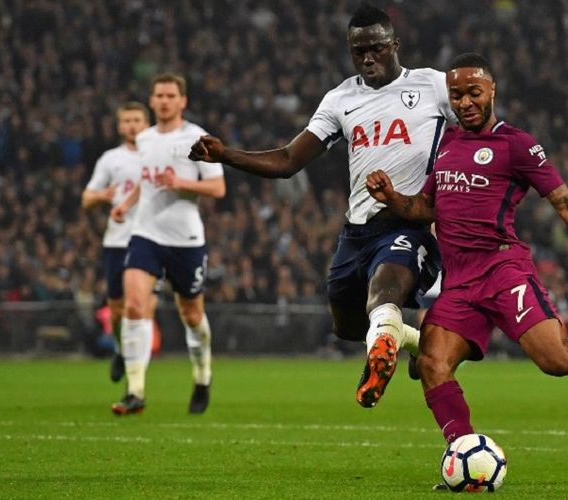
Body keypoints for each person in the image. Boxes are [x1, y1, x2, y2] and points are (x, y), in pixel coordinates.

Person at [365, 53, 568, 449]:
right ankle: (464, 453)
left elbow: (567, 203)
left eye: (473, 93)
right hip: (459, 282)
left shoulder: (516, 145)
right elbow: (426, 208)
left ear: (492, 91)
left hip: (503, 270)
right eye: (456, 95)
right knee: (433, 365)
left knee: (558, 361)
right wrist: (393, 197)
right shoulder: (448, 144)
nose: (465, 103)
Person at [189, 3, 457, 408]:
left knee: (384, 292)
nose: (368, 57)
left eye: (377, 48)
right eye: (359, 51)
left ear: (395, 45)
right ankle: (413, 342)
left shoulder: (432, 86)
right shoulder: (340, 99)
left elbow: (477, 125)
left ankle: (384, 349)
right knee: (348, 326)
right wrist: (226, 154)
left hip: (408, 222)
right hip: (356, 232)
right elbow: (287, 161)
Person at [110, 73, 225, 415]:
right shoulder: (144, 138)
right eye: (158, 95)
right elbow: (146, 183)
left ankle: (203, 376)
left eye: (170, 95)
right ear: (152, 99)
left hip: (186, 240)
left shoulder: (197, 138)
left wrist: (180, 183)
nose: (163, 101)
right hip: (146, 234)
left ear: (182, 100)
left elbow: (217, 189)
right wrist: (125, 205)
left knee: (191, 314)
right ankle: (136, 391)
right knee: (133, 306)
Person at [81, 102, 158, 383]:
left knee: (142, 306)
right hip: (117, 240)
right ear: (119, 126)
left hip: (152, 240)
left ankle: (138, 380)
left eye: (137, 119)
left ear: (146, 122)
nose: (132, 125)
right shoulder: (110, 159)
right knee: (116, 311)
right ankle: (121, 349)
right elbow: (87, 199)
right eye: (126, 121)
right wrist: (103, 196)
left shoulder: (158, 155)